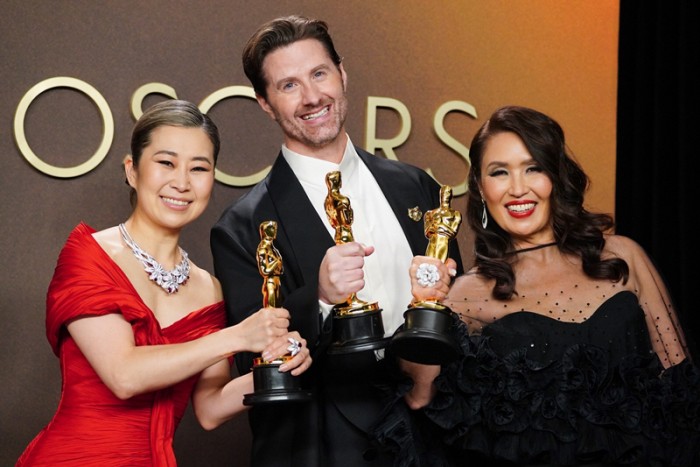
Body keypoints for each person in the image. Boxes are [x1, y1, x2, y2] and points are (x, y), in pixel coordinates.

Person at [373, 105, 700, 466]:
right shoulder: (467, 293)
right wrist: (425, 304)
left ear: (556, 175)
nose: (518, 189)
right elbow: (419, 398)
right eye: (499, 172)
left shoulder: (623, 256)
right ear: (480, 187)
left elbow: (682, 392)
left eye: (533, 168)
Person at [210, 15, 463, 467]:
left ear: (342, 74)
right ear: (265, 103)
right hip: (324, 443)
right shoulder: (242, 227)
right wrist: (320, 298)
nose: (312, 97)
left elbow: (453, 310)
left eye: (319, 74)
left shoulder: (415, 187)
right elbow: (255, 366)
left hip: (435, 433)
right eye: (288, 85)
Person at [16, 99, 311, 466]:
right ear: (132, 170)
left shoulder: (208, 288)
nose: (182, 183)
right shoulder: (90, 255)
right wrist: (238, 336)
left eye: (199, 168)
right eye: (166, 163)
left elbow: (210, 409)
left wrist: (278, 365)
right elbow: (123, 375)